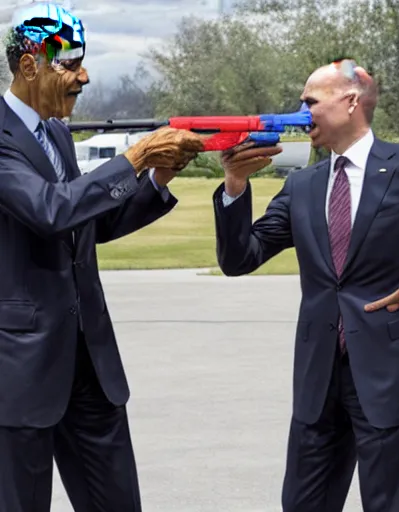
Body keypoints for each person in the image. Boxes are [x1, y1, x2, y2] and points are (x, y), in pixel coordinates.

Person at [212, 58, 399, 512]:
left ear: (350, 101)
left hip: (389, 374)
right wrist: (234, 184)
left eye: (310, 101)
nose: (300, 110)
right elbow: (239, 258)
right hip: (317, 377)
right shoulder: (303, 185)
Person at [0, 3, 207, 511]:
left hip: (89, 363)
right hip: (21, 371)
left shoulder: (55, 134)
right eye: (70, 64)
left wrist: (158, 176)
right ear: (31, 66)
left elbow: (86, 225)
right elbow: (51, 211)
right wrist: (134, 157)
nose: (83, 76)